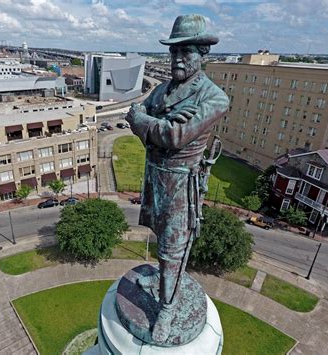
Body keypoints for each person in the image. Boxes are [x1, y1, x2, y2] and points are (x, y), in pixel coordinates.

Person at [126, 14, 229, 343]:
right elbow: (135, 114)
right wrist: (155, 122)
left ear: (203, 55)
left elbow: (174, 137)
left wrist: (155, 124)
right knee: (161, 240)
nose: (178, 58)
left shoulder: (213, 98)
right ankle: (161, 281)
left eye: (186, 51)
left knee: (174, 249)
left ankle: (167, 310)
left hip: (182, 185)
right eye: (174, 51)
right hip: (155, 178)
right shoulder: (161, 90)